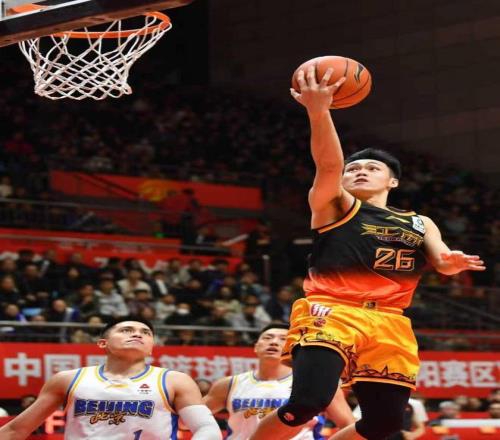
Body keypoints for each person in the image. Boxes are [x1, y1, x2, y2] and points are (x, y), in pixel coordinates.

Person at [249, 65, 485, 440]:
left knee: (384, 425)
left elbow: (441, 262)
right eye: (353, 168)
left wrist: (452, 263)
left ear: (392, 180)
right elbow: (328, 164)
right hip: (332, 310)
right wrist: (319, 111)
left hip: (390, 320)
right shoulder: (335, 206)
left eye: (372, 167)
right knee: (306, 403)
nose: (360, 171)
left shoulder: (420, 222)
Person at [0, 317, 222, 439]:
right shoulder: (68, 379)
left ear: (151, 348)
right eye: (126, 330)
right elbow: (16, 430)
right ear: (102, 343)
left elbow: (207, 428)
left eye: (146, 332)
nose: (137, 334)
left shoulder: (175, 380)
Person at [204, 323, 354, 439]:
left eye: (283, 339)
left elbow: (349, 425)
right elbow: (193, 418)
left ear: (292, 347)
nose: (274, 342)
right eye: (268, 338)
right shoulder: (228, 384)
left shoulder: (315, 383)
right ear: (256, 346)